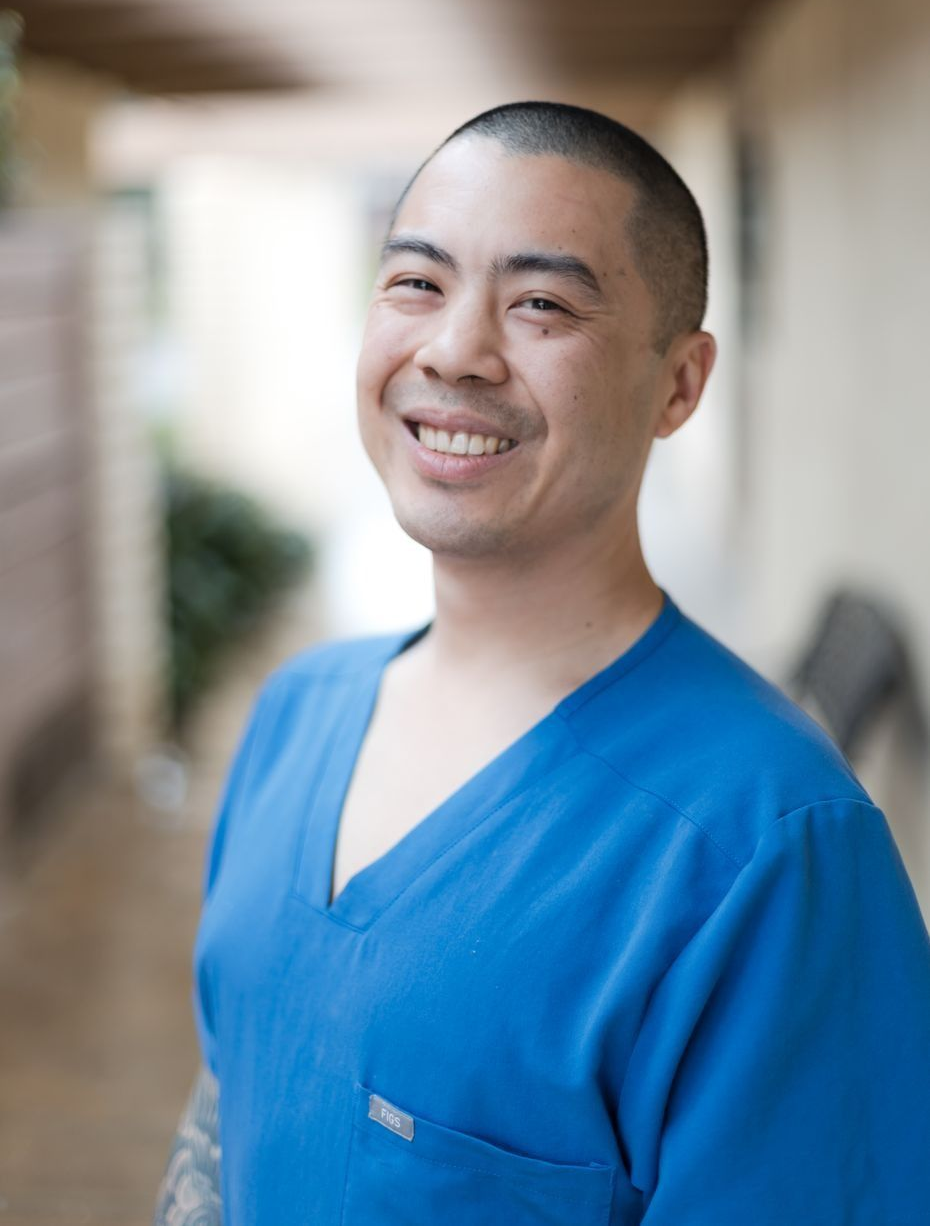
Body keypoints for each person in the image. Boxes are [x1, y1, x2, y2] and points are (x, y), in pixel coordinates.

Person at [153, 101, 930, 1225]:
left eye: (542, 304)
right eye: (416, 282)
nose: (453, 349)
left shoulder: (771, 849)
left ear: (680, 384)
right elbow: (232, 1095)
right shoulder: (296, 715)